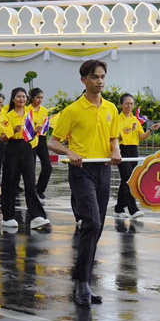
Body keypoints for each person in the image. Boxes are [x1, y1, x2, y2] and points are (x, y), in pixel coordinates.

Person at [48, 59, 122, 307]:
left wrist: (115, 149)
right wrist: (69, 152)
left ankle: (85, 281)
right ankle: (81, 282)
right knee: (92, 221)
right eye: (94, 77)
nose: (100, 81)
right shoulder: (72, 110)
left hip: (103, 170)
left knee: (96, 229)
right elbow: (53, 141)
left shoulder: (111, 108)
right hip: (81, 171)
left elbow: (114, 138)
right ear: (83, 80)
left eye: (102, 76)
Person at [0, 87, 50, 231]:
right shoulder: (7, 116)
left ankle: (36, 216)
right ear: (13, 99)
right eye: (18, 96)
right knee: (10, 182)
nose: (22, 99)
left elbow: (31, 133)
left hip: (28, 148)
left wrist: (36, 131)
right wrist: (12, 131)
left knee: (30, 183)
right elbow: (2, 138)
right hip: (13, 148)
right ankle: (7, 217)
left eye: (24, 96)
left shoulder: (30, 114)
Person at [114, 94, 157, 219]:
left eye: (131, 104)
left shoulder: (135, 120)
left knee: (127, 179)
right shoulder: (117, 119)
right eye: (127, 103)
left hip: (133, 150)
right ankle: (132, 209)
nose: (129, 106)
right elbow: (115, 136)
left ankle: (119, 208)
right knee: (129, 179)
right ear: (121, 105)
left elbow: (141, 137)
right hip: (122, 149)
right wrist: (124, 133)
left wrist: (151, 130)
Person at [30, 88, 53, 200]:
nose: (39, 100)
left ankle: (40, 188)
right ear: (32, 98)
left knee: (47, 166)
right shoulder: (27, 110)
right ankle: (31, 190)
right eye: (37, 98)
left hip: (42, 139)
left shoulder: (44, 110)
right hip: (31, 139)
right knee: (31, 167)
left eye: (41, 98)